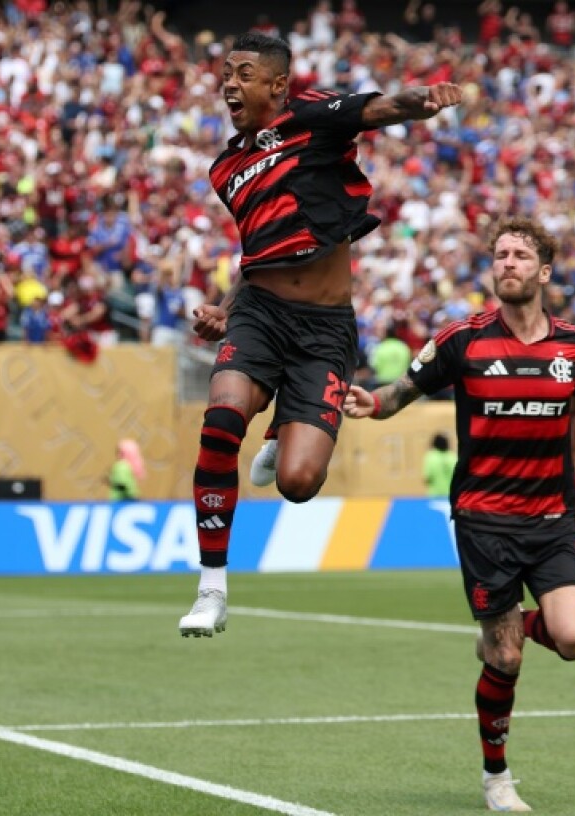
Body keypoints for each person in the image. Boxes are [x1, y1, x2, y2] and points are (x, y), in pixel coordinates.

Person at [178, 32, 462, 637]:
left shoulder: (310, 118)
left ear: (277, 85)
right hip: (258, 313)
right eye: (225, 73)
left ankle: (285, 421)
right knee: (222, 422)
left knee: (299, 484)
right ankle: (211, 588)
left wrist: (423, 100)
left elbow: (378, 108)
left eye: (244, 72)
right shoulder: (224, 168)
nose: (229, 82)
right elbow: (261, 250)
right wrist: (227, 309)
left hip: (325, 330)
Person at [343, 217, 575, 813]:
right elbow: (404, 388)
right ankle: (497, 777)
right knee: (506, 657)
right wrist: (371, 402)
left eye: (519, 255)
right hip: (486, 519)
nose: (507, 262)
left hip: (553, 517)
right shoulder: (463, 339)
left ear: (543, 271)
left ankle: (501, 628)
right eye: (500, 254)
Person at [423, 433, 457, 498]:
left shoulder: (430, 457)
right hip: (451, 495)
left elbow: (426, 478)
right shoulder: (453, 457)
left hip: (435, 495)